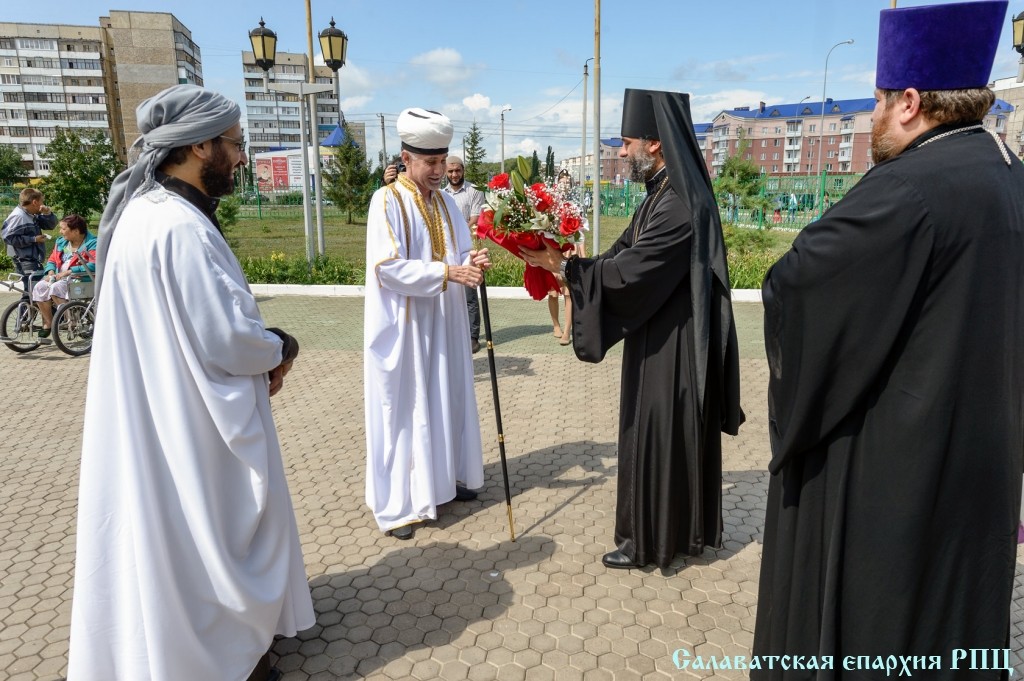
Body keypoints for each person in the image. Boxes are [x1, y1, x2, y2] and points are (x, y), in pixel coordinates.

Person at [753, 2, 1023, 676]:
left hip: (899, 477)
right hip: (983, 469)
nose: (872, 117)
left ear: (909, 102)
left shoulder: (907, 188)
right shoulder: (1008, 174)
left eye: (876, 101)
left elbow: (797, 284)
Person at [68, 84, 314, 681]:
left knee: (173, 534)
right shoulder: (178, 226)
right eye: (234, 143)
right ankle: (222, 657)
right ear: (201, 146)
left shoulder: (146, 215)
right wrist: (281, 345)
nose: (241, 156)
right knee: (204, 530)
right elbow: (228, 339)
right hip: (188, 417)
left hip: (164, 407)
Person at [521, 89, 743, 569]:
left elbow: (633, 271)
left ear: (656, 144)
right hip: (656, 330)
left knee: (656, 435)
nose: (622, 152)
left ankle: (651, 544)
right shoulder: (661, 194)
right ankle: (675, 534)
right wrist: (570, 262)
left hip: (676, 345)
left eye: (626, 142)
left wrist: (567, 270)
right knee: (651, 434)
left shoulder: (681, 202)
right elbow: (620, 253)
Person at [364, 108, 491, 541]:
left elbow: (461, 253)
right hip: (407, 327)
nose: (439, 171)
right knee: (409, 406)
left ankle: (447, 478)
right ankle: (402, 503)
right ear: (406, 157)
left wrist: (472, 262)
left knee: (448, 395)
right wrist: (447, 273)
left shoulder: (448, 205)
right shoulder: (387, 201)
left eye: (443, 161)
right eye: (430, 163)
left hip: (446, 321)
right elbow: (387, 269)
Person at [442, 154, 485, 353]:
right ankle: (455, 333)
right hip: (448, 249)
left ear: (463, 170)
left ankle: (473, 336)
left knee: (469, 294)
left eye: (457, 170)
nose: (454, 174)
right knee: (450, 293)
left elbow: (475, 219)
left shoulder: (474, 192)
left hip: (469, 249)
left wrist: (456, 231)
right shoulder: (441, 193)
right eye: (450, 171)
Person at [31, 214, 95, 339]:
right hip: (59, 277)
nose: (60, 232)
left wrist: (69, 271)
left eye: (63, 229)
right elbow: (52, 260)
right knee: (39, 287)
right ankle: (49, 323)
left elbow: (94, 265)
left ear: (76, 231)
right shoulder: (61, 242)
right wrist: (50, 271)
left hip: (80, 278)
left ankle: (71, 320)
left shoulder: (93, 243)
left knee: (56, 288)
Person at [2, 187, 57, 276]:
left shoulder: (31, 214)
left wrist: (47, 213)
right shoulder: (19, 216)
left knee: (36, 286)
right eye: (41, 201)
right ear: (35, 202)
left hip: (32, 259)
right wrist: (34, 239)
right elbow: (8, 238)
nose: (42, 204)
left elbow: (50, 226)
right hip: (24, 261)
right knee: (32, 287)